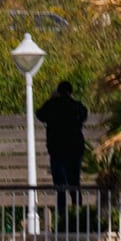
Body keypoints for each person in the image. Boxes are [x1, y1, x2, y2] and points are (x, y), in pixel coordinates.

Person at [36, 79, 90, 220]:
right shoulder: (76, 106)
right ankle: (77, 213)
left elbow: (39, 115)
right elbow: (85, 114)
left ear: (58, 92)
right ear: (70, 92)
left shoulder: (52, 105)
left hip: (57, 150)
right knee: (74, 183)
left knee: (60, 185)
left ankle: (62, 215)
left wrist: (51, 98)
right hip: (74, 150)